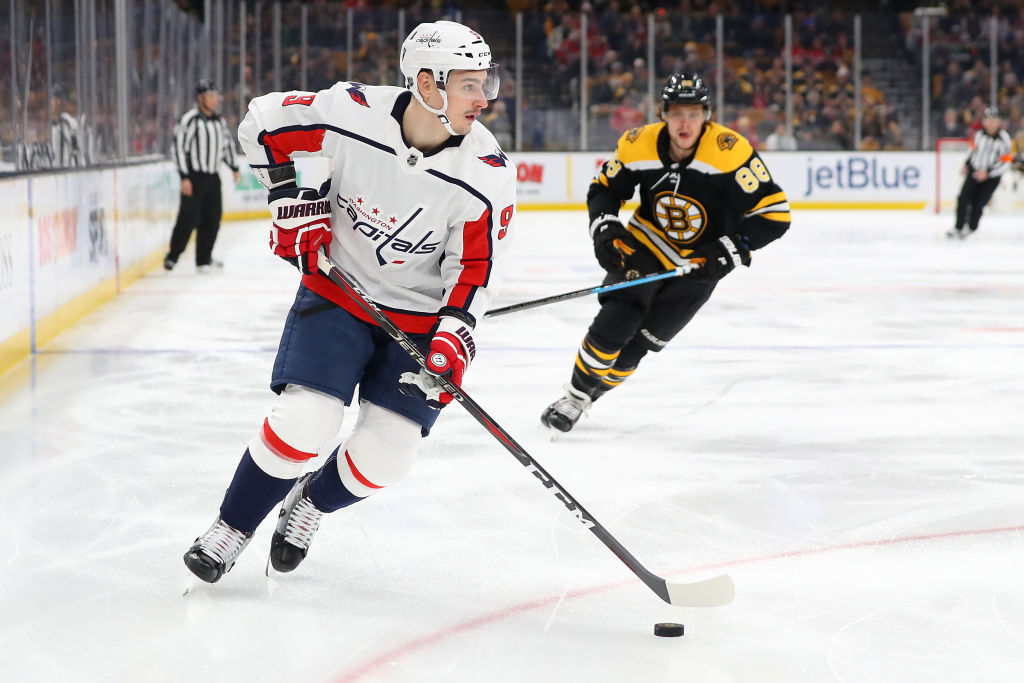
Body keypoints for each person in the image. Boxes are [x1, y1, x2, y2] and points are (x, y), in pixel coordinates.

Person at [182, 21, 516, 583]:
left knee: (388, 455)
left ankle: (309, 503)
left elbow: (477, 270)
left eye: (487, 83)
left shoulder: (486, 173)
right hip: (337, 295)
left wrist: (456, 334)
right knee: (305, 422)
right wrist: (289, 198)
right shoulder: (346, 113)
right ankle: (232, 528)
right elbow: (260, 124)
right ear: (428, 85)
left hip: (418, 323)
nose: (484, 99)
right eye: (469, 85)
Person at [540, 73, 790, 432]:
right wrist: (606, 229)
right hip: (646, 244)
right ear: (663, 113)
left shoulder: (730, 152)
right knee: (619, 316)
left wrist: (725, 252)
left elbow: (774, 215)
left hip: (698, 264)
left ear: (706, 114)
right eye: (676, 112)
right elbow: (605, 190)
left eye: (693, 112)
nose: (684, 122)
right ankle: (574, 398)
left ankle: (587, 398)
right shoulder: (637, 144)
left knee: (638, 347)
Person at [164, 79, 240, 273]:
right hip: (194, 177)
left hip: (213, 178)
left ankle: (203, 259)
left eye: (216, 96)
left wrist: (234, 167)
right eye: (210, 96)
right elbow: (179, 148)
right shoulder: (190, 120)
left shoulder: (219, 121)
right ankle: (173, 256)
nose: (214, 100)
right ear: (200, 98)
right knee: (187, 219)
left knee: (212, 219)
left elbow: (226, 146)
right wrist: (184, 177)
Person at [948, 107, 1014, 240]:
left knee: (979, 203)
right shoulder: (978, 134)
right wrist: (966, 164)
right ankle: (958, 227)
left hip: (992, 177)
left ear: (998, 121)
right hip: (975, 171)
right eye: (988, 120)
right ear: (984, 121)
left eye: (994, 120)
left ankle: (972, 228)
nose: (991, 123)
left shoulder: (1004, 138)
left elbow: (1006, 161)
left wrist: (988, 173)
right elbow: (972, 151)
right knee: (963, 199)